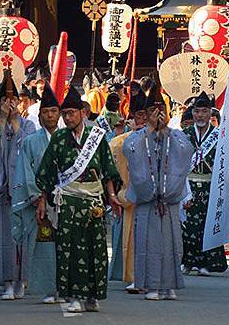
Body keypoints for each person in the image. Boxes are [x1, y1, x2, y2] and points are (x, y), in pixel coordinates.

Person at [35, 84, 121, 313]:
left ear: (83, 112)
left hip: (94, 201)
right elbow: (46, 172)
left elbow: (108, 169)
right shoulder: (60, 138)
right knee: (69, 250)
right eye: (65, 114)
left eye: (71, 113)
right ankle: (73, 296)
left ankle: (92, 296)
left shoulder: (97, 138)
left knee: (96, 249)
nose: (67, 117)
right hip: (69, 201)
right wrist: (43, 200)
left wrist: (112, 195)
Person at [123, 91, 194, 300]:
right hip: (147, 199)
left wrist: (165, 131)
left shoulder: (176, 135)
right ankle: (152, 286)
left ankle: (168, 285)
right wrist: (150, 130)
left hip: (169, 199)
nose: (157, 115)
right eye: (153, 112)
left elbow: (187, 151)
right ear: (145, 114)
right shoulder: (137, 136)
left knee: (171, 244)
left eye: (161, 111)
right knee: (148, 244)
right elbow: (130, 151)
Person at [0, 75, 35, 299]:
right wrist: (1, 124)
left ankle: (18, 280)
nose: (10, 105)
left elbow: (30, 152)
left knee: (18, 239)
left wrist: (16, 127)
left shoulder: (27, 125)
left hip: (19, 192)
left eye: (14, 101)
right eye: (6, 101)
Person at [11, 83, 61, 303]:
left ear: (59, 114)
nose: (50, 116)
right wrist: (38, 196)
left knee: (65, 246)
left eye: (53, 111)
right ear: (39, 116)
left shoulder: (68, 139)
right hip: (41, 200)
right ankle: (50, 289)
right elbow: (25, 170)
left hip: (65, 199)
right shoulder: (31, 142)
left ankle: (65, 287)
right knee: (45, 246)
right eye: (46, 112)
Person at [182, 92, 228, 275]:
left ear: (211, 113)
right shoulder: (184, 135)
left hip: (211, 186)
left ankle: (207, 263)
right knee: (188, 225)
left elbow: (227, 160)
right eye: (197, 111)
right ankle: (188, 261)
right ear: (192, 113)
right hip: (189, 184)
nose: (200, 115)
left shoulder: (218, 136)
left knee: (207, 223)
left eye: (204, 111)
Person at [108, 90, 148, 291]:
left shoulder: (161, 139)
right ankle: (132, 275)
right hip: (127, 195)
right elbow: (111, 174)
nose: (142, 119)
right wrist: (113, 196)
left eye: (145, 114)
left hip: (152, 197)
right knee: (130, 241)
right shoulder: (118, 142)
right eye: (138, 115)